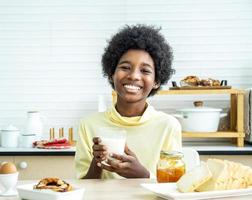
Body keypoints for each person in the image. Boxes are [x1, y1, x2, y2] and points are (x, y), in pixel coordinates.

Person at [74, 24, 182, 179]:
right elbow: (83, 186)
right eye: (125, 67)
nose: (134, 76)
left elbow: (173, 186)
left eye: (145, 70)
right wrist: (97, 162)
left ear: (157, 81)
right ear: (111, 73)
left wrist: (142, 175)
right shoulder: (89, 124)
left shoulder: (168, 126)